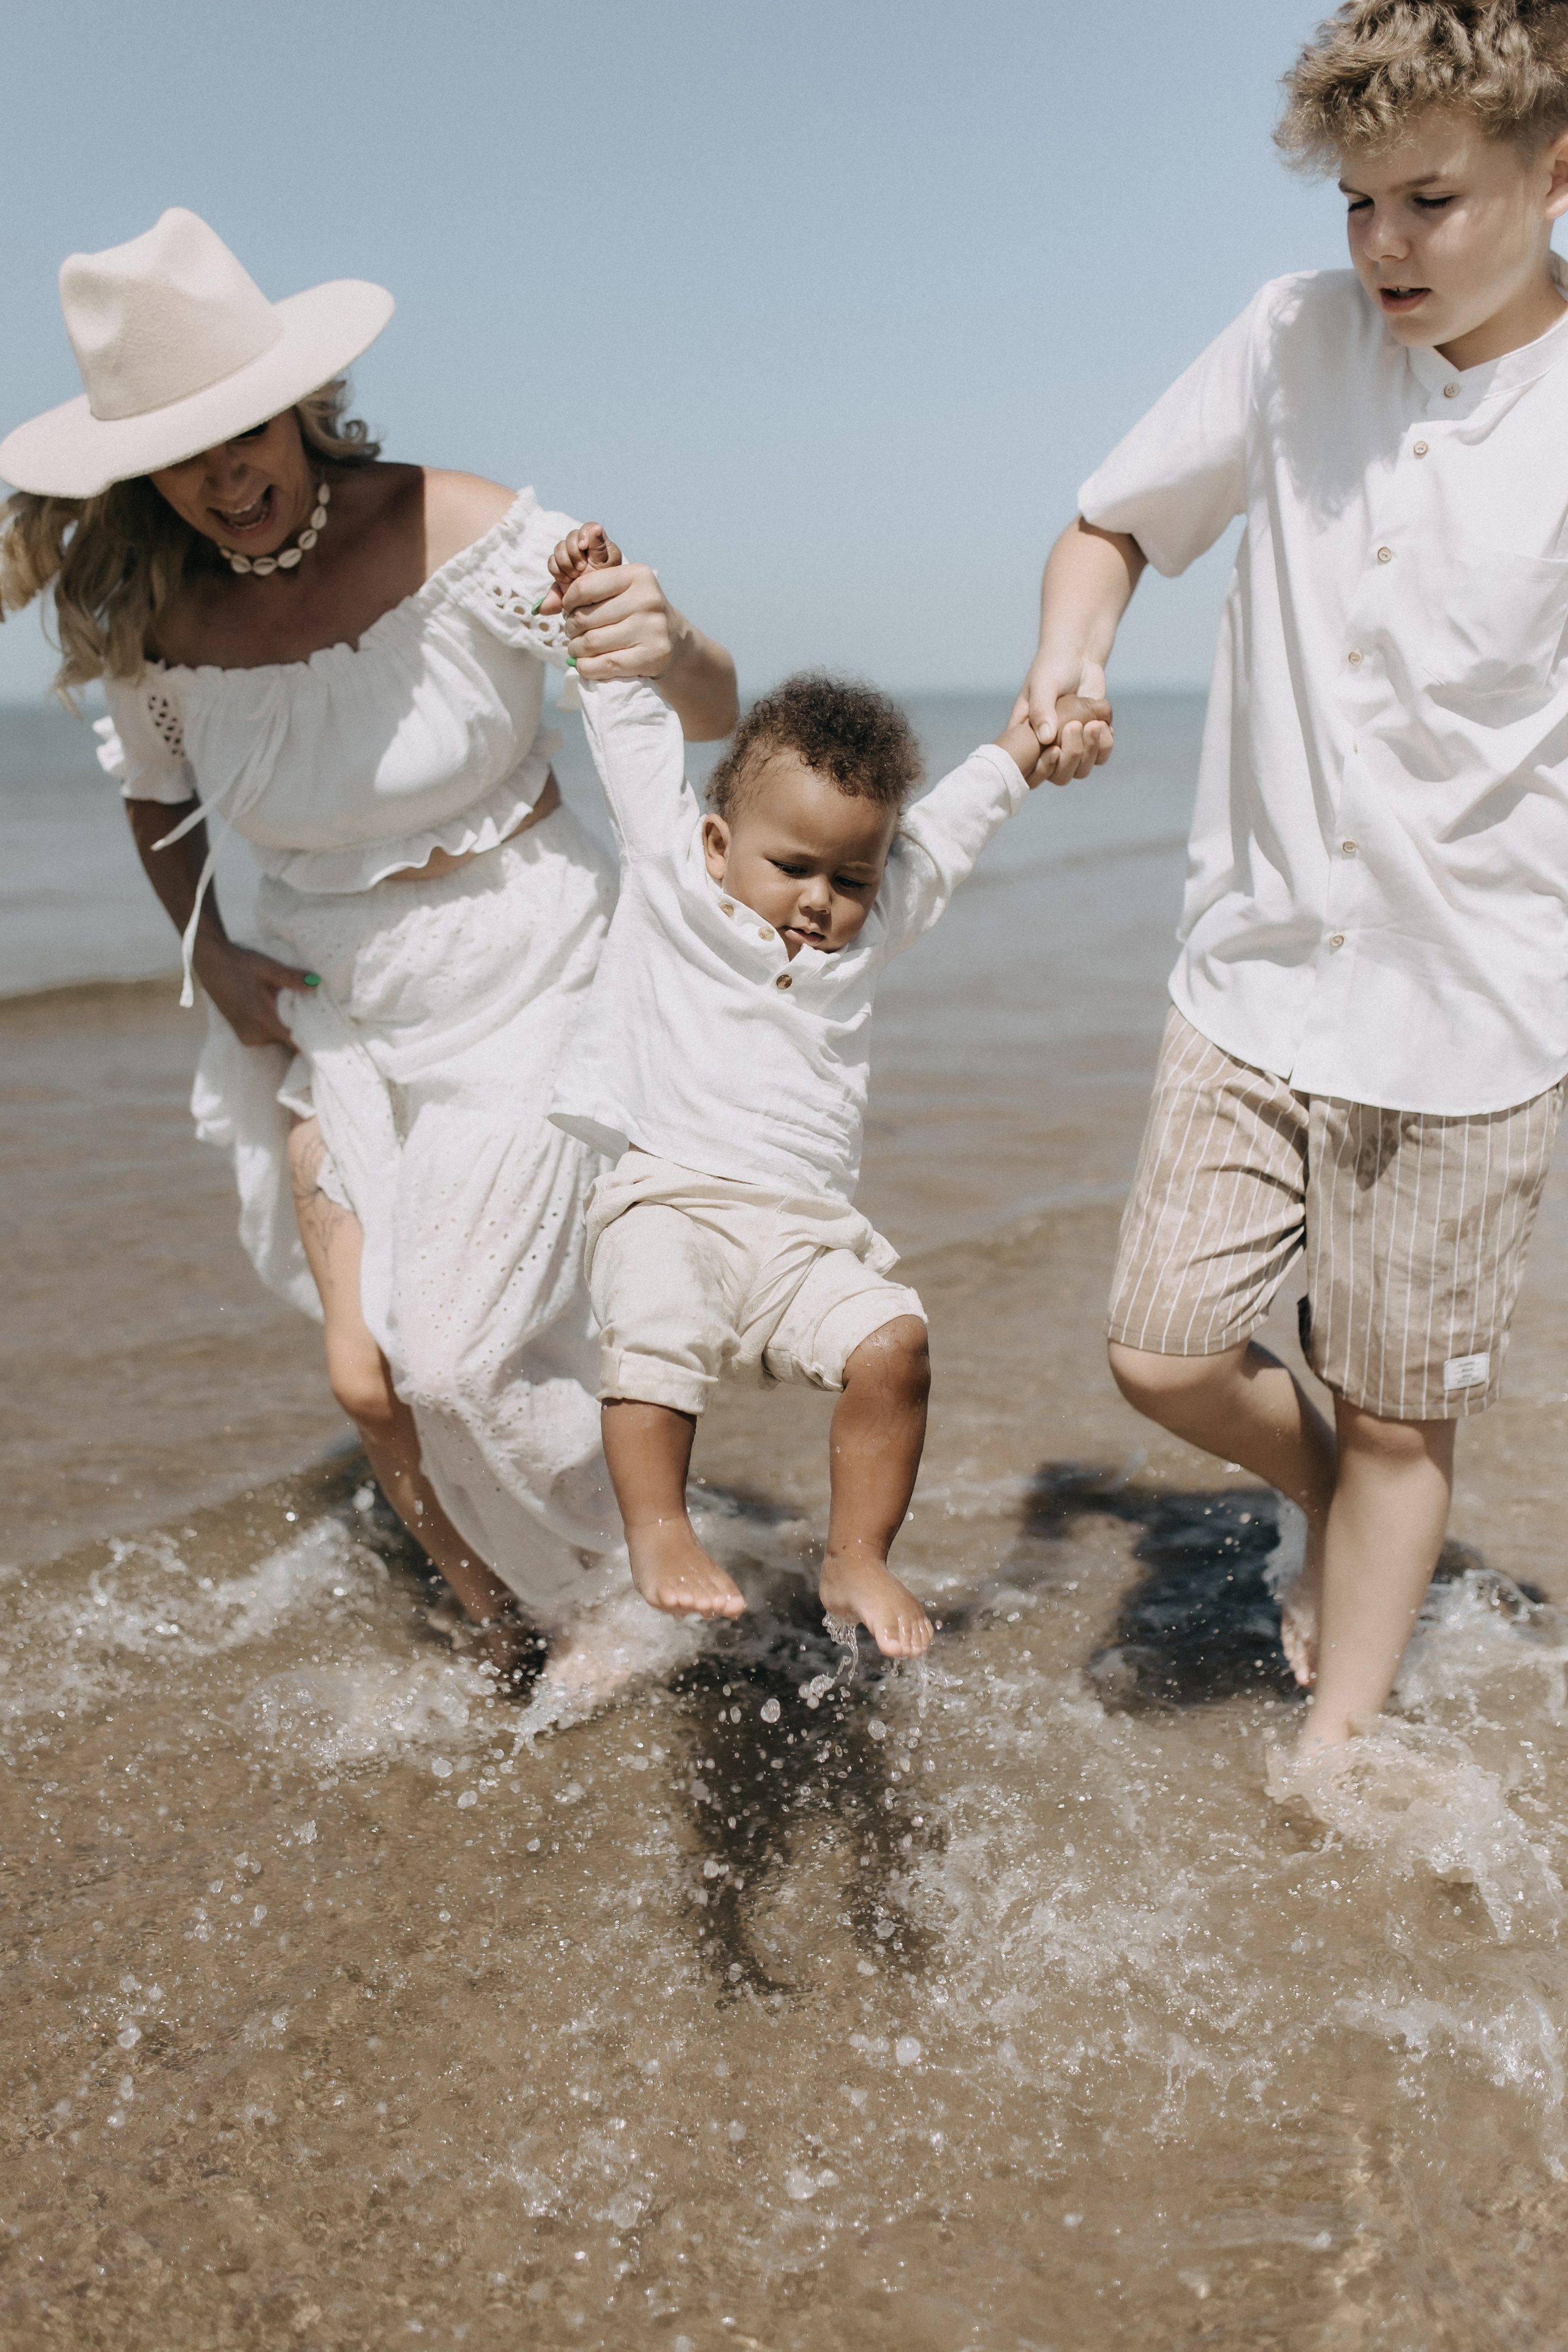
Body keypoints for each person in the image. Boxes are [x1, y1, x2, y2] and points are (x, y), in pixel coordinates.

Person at [0, 208, 738, 1676]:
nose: (226, 481)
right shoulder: (157, 625)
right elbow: (161, 808)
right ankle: (503, 1620)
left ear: (298, 407)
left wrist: (672, 634)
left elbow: (699, 707)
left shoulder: (459, 528)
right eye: (184, 454)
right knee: (370, 1382)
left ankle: (634, 1588)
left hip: (531, 974)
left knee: (456, 1359)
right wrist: (204, 958)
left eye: (245, 435)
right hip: (336, 1007)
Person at [1016, 0, 1568, 1760]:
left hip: (1475, 1009)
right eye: (1356, 208)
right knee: (1166, 1353)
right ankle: (1339, 1505)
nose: (1385, 248)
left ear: (1557, 173)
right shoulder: (1285, 343)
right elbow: (1110, 524)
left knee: (1409, 1417)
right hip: (1251, 970)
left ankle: (1338, 1737)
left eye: (1431, 200)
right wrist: (1072, 655)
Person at [545, 526, 1107, 1656]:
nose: (817, 901)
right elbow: (627, 729)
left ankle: (855, 1556)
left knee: (896, 1339)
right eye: (790, 867)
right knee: (651, 1324)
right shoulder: (672, 872)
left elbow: (948, 829)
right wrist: (593, 608)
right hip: (668, 1201)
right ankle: (658, 1527)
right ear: (717, 841)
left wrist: (1019, 749)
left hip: (805, 1243)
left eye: (848, 878)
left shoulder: (873, 924)